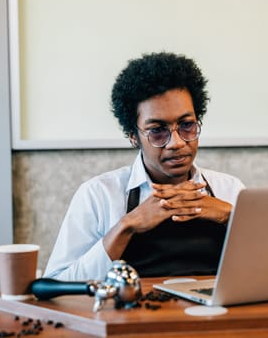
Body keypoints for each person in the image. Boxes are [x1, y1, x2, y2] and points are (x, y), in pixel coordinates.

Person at [44, 52, 245, 281]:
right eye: (157, 130)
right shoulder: (99, 195)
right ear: (132, 136)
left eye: (187, 125)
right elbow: (55, 287)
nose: (177, 142)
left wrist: (233, 216)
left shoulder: (230, 190)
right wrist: (126, 226)